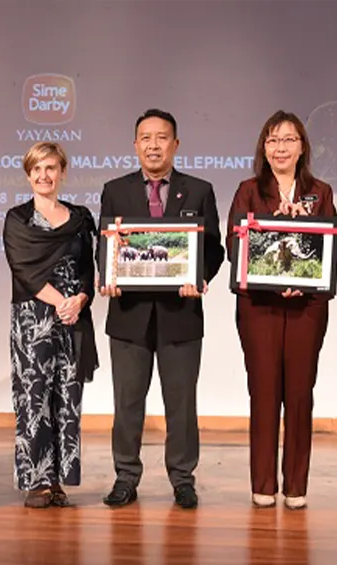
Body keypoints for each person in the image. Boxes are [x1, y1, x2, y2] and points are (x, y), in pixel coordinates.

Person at [98, 109, 224, 509]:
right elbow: (106, 243)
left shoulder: (199, 190)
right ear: (135, 145)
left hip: (180, 315)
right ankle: (125, 477)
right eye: (146, 138)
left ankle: (183, 479)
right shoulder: (114, 190)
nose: (154, 145)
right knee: (127, 404)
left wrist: (199, 277)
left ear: (176, 144)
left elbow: (214, 248)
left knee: (181, 405)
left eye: (162, 137)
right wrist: (107, 276)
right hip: (128, 315)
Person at [227, 111, 337, 510]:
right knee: (264, 391)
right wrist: (273, 229)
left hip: (306, 307)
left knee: (300, 393)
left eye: (289, 140)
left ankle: (295, 485)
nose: (281, 148)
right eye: (273, 140)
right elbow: (234, 245)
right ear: (264, 147)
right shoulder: (248, 191)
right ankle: (263, 483)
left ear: (302, 147)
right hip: (260, 306)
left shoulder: (320, 193)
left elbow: (333, 246)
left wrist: (306, 234)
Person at [3, 141, 97, 508]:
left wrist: (80, 300)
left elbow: (87, 269)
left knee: (68, 400)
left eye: (51, 168)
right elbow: (23, 270)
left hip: (73, 320)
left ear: (63, 172)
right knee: (34, 398)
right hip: (34, 319)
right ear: (28, 175)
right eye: (37, 169)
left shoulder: (79, 218)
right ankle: (36, 481)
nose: (44, 175)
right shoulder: (18, 219)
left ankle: (59, 480)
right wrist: (61, 303)